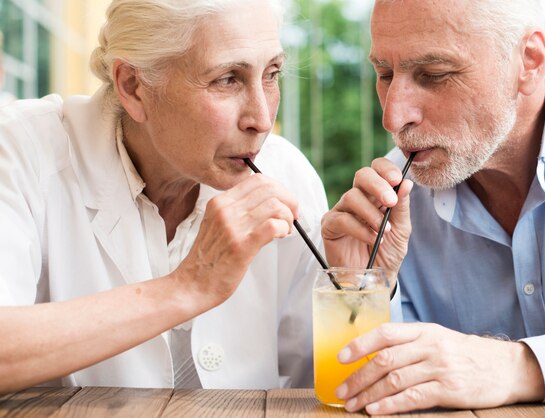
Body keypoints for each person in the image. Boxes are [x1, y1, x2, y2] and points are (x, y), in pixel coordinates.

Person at [0, 0, 329, 394]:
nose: (261, 118)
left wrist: (359, 287)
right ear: (133, 87)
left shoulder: (288, 174)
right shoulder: (20, 154)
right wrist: (187, 286)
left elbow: (322, 384)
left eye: (272, 74)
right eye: (227, 79)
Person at [322, 0, 545, 414]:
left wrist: (519, 367)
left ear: (529, 61)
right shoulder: (391, 202)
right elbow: (370, 389)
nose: (392, 118)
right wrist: (365, 290)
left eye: (434, 75)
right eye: (385, 74)